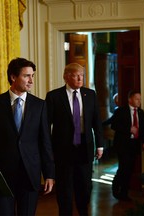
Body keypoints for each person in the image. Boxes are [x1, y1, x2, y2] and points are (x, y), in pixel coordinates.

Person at [0, 57, 55, 215]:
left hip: (30, 176)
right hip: (2, 176)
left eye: (32, 76)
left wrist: (49, 174)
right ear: (13, 77)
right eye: (27, 76)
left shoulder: (40, 105)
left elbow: (45, 142)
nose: (31, 80)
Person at [45, 63, 103, 216]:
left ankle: (84, 212)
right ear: (66, 77)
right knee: (65, 189)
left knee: (84, 187)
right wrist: (48, 150)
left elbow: (97, 121)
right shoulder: (54, 96)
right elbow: (46, 125)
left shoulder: (90, 94)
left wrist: (100, 145)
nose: (80, 78)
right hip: (63, 151)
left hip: (85, 148)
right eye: (76, 75)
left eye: (82, 75)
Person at [111, 90, 144, 201]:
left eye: (140, 99)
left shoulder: (140, 112)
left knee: (129, 169)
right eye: (137, 99)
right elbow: (114, 125)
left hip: (134, 144)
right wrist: (129, 129)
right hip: (123, 144)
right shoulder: (120, 111)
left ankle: (124, 193)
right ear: (130, 99)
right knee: (123, 168)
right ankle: (116, 186)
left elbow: (143, 129)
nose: (139, 101)